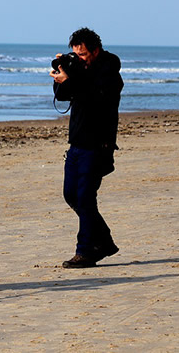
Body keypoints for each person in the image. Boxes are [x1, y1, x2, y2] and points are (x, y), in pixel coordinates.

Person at [50, 27, 124, 268]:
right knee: (71, 195)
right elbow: (63, 96)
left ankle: (85, 251)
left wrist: (72, 79)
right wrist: (62, 75)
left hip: (98, 144)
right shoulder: (79, 69)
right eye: (76, 54)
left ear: (96, 50)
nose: (79, 58)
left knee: (85, 197)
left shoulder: (109, 69)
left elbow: (97, 97)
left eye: (82, 55)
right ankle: (105, 242)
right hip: (77, 143)